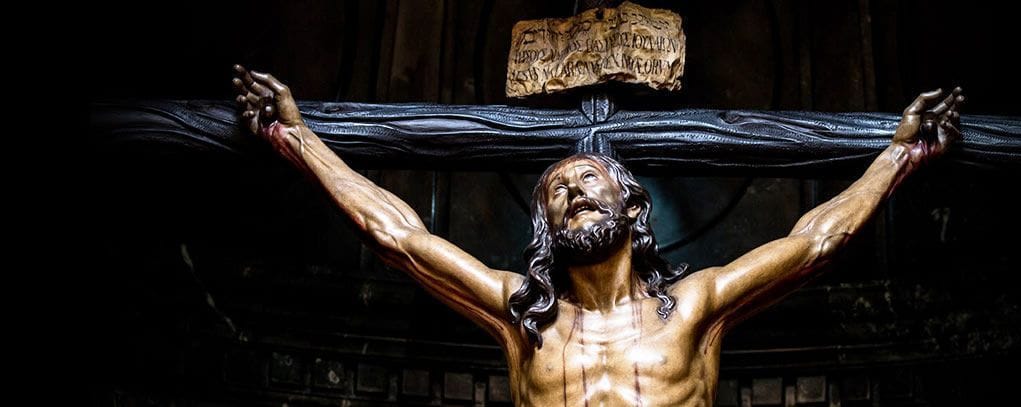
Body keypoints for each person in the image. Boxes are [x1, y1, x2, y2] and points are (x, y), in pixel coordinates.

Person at [232, 64, 964, 406]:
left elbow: (816, 243)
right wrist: (300, 140)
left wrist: (900, 155)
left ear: (632, 206)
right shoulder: (522, 316)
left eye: (590, 180)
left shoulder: (694, 305)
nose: (574, 189)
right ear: (545, 226)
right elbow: (397, 234)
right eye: (556, 189)